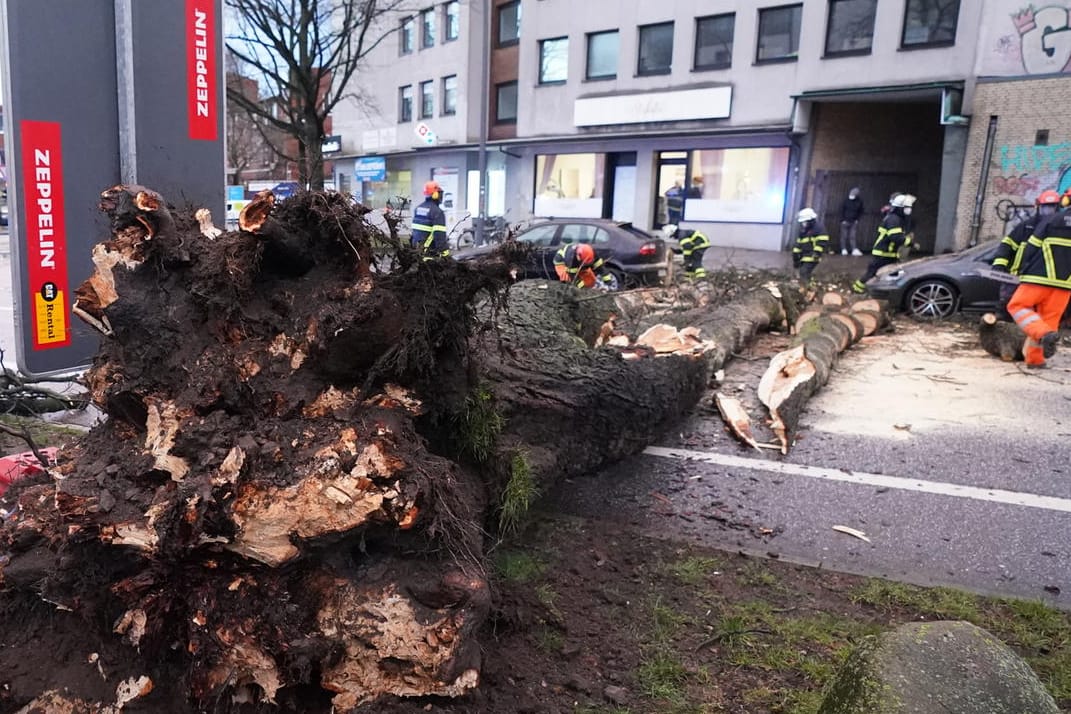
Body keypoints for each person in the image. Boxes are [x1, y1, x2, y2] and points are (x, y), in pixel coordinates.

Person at [1006, 203, 1071, 368]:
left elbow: (1032, 246)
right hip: (1065, 284)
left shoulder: (1052, 220)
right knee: (1048, 320)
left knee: (1017, 306)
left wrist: (1021, 269)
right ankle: (1036, 360)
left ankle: (1043, 335)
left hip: (1038, 277)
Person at [991, 190, 1062, 319]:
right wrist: (1000, 263)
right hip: (1017, 276)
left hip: (1042, 279)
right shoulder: (1026, 226)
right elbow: (1007, 244)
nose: (1047, 212)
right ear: (1038, 207)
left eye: (1051, 208)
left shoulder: (1059, 229)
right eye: (1045, 208)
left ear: (1058, 208)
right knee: (1007, 305)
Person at [852, 194, 915, 294]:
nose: (909, 210)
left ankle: (881, 291)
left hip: (888, 252)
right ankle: (857, 290)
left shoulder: (896, 218)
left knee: (891, 273)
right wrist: (910, 243)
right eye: (907, 207)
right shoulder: (894, 219)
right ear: (900, 208)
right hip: (883, 252)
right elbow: (895, 237)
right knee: (873, 273)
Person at [411, 180, 449, 260]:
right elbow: (439, 235)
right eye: (439, 193)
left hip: (417, 251)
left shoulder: (418, 208)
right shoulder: (437, 212)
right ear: (435, 195)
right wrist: (445, 254)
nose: (441, 196)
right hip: (429, 254)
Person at [792, 208, 829, 283]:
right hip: (804, 256)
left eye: (804, 222)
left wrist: (816, 253)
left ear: (810, 220)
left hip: (812, 256)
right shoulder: (804, 231)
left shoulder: (818, 229)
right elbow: (798, 244)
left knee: (804, 272)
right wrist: (795, 257)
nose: (803, 224)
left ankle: (807, 288)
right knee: (804, 273)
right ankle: (808, 286)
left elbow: (821, 242)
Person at [839, 187, 865, 256]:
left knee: (852, 236)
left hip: (853, 221)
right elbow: (841, 210)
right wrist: (842, 220)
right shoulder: (846, 200)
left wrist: (857, 219)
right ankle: (843, 249)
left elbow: (861, 211)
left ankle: (853, 249)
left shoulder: (859, 201)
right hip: (845, 221)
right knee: (844, 236)